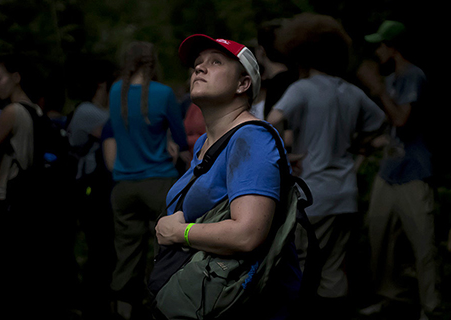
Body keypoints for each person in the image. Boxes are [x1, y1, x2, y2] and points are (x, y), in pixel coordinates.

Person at [155, 33, 299, 319]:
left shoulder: (252, 138)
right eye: (197, 63)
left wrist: (180, 233)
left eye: (215, 62)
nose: (199, 68)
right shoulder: (204, 144)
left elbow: (248, 234)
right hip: (213, 298)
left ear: (243, 84)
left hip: (248, 304)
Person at [265, 13, 386, 319]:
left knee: (302, 265)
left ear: (300, 51)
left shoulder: (302, 89)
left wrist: (285, 156)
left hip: (313, 195)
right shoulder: (349, 90)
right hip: (345, 195)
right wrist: (354, 144)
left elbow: (270, 125)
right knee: (334, 270)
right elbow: (379, 122)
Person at [357, 20, 441, 319]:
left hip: (414, 173)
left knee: (423, 244)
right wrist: (368, 144)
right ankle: (392, 297)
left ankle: (430, 308)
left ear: (393, 47)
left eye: (380, 45)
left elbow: (403, 120)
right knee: (379, 239)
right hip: (389, 172)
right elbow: (392, 131)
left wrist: (377, 88)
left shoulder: (412, 75)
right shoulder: (393, 79)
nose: (377, 50)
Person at [0, 53, 74, 319]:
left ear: (16, 77)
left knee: (5, 274)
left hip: (12, 201)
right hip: (33, 203)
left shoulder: (11, 112)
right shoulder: (36, 110)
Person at [108, 41, 188, 319]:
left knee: (127, 253)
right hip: (158, 183)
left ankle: (123, 312)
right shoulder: (164, 93)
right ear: (153, 62)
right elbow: (180, 137)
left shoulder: (115, 91)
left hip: (123, 186)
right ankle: (161, 311)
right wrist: (169, 141)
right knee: (164, 252)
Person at [65, 57, 117, 319]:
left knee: (102, 248)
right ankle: (93, 305)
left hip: (96, 191)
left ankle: (95, 302)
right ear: (102, 84)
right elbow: (118, 131)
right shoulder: (88, 112)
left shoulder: (92, 111)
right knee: (100, 249)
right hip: (91, 192)